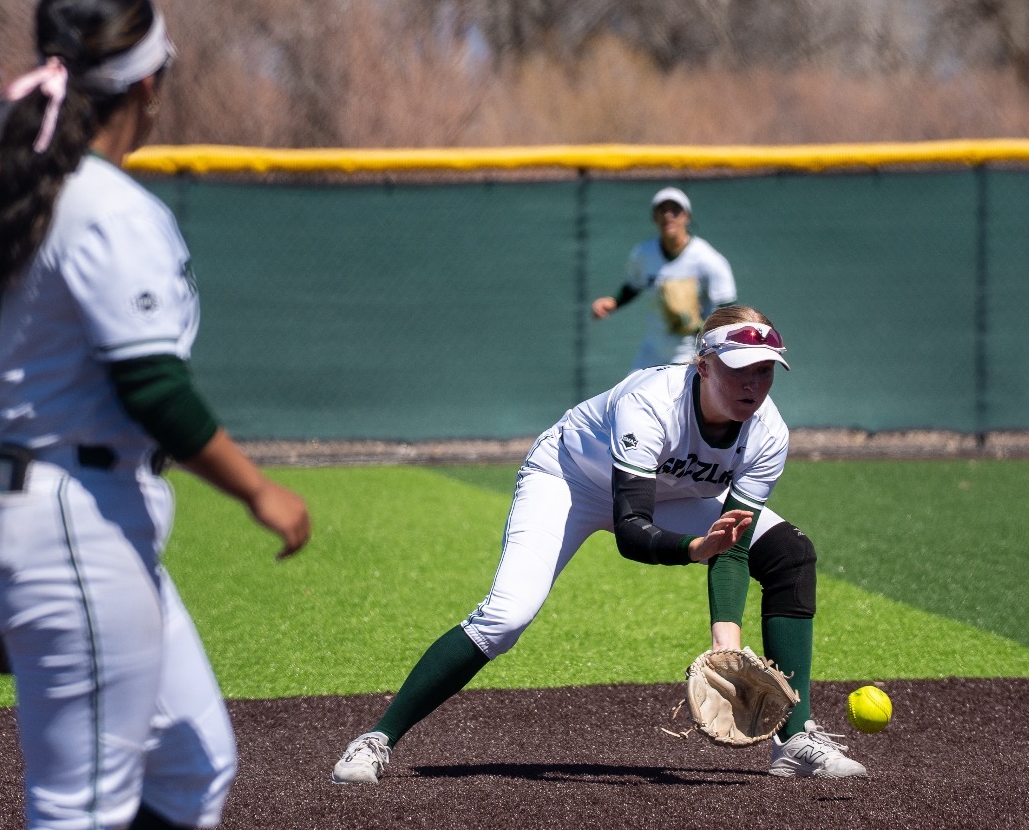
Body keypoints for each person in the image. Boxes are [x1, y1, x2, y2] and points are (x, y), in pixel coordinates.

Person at [0, 0, 312, 830]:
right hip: (72, 516)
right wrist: (260, 491)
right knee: (74, 818)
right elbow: (151, 386)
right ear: (144, 81)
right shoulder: (108, 206)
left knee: (196, 759)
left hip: (36, 508)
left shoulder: (2, 191)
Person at [331, 304, 864, 786]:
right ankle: (377, 738)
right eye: (738, 367)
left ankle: (795, 740)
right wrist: (693, 548)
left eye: (765, 369)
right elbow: (632, 530)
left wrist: (726, 644)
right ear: (702, 365)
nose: (753, 383)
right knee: (506, 617)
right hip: (572, 480)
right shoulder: (651, 403)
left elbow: (734, 544)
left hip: (675, 494)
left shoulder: (768, 433)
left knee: (791, 554)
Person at [590, 186, 737, 368]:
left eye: (675, 210)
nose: (668, 215)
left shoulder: (708, 259)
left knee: (676, 395)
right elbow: (634, 285)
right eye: (662, 210)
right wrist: (613, 302)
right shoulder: (644, 253)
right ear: (654, 217)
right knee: (630, 393)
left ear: (687, 216)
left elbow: (727, 307)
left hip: (689, 349)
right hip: (652, 348)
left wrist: (700, 326)